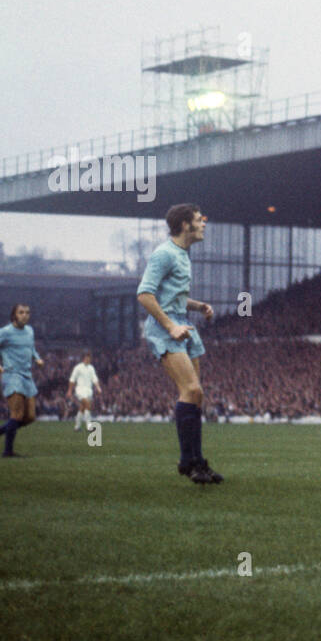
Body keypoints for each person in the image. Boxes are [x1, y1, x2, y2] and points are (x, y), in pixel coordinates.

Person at [136, 203, 223, 484]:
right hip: (166, 329)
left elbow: (170, 296)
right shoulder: (164, 254)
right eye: (200, 219)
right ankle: (188, 461)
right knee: (191, 389)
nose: (204, 224)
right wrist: (170, 325)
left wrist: (198, 306)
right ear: (185, 225)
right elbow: (145, 294)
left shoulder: (182, 254)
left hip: (182, 323)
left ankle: (197, 461)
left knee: (196, 396)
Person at [0, 303, 44, 458]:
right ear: (14, 315)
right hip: (12, 376)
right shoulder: (4, 332)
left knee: (30, 417)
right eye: (21, 312)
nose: (25, 315)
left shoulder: (30, 331)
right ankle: (7, 451)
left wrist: (37, 358)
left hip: (27, 376)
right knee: (16, 415)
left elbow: (31, 348)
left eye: (27, 312)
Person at [67, 351, 101, 431]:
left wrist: (98, 387)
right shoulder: (78, 367)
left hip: (89, 390)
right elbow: (72, 379)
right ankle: (89, 426)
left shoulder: (91, 368)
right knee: (87, 404)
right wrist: (69, 390)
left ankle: (77, 427)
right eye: (87, 357)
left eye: (90, 357)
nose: (89, 359)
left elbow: (94, 379)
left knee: (82, 408)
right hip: (80, 390)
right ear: (84, 358)